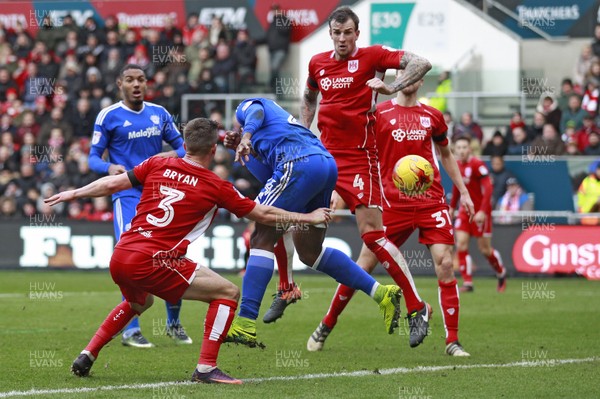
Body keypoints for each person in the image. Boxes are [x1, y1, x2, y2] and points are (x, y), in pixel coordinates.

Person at [45, 117, 332, 384]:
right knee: (228, 293)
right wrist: (309, 217)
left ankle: (87, 354)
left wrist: (74, 192)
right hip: (154, 259)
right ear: (214, 148)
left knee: (140, 303)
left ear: (184, 144)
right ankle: (206, 368)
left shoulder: (157, 165)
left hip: (121, 254)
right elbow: (265, 215)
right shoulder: (217, 186)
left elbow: (112, 183)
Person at [306, 72, 475, 356]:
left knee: (445, 263)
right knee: (362, 267)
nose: (409, 80)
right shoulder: (378, 113)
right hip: (389, 201)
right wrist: (338, 189)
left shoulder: (432, 116)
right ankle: (327, 322)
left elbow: (446, 155)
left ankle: (452, 341)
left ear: (421, 82)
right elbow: (355, 153)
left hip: (430, 199)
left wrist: (464, 191)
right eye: (404, 75)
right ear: (397, 81)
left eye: (415, 76)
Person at [300, 6, 433, 346]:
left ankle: (417, 308)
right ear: (330, 34)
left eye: (348, 33)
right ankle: (285, 289)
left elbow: (421, 63)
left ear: (357, 34)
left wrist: (393, 86)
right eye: (337, 33)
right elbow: (309, 96)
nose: (342, 38)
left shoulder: (373, 57)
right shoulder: (317, 63)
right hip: (325, 160)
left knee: (372, 237)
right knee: (300, 231)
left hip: (361, 160)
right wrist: (303, 132)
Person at [224, 97, 403, 347]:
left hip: (299, 164)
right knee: (310, 253)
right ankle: (381, 293)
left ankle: (245, 323)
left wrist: (246, 136)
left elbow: (254, 111)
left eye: (239, 127)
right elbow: (270, 177)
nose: (239, 130)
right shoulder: (274, 137)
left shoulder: (249, 109)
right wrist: (243, 148)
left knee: (260, 237)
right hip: (324, 166)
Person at [88, 64, 190, 348]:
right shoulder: (108, 116)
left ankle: (173, 322)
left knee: (172, 253)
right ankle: (131, 329)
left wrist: (166, 158)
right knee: (131, 259)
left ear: (147, 83)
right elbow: (93, 158)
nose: (136, 84)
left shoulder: (159, 114)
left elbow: (183, 147)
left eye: (141, 79)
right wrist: (109, 168)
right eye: (130, 80)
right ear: (120, 83)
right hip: (127, 195)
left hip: (160, 194)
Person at [450, 136, 507, 293]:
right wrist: (451, 207)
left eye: (464, 147)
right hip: (464, 211)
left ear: (470, 149)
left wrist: (482, 210)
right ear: (455, 150)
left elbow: (488, 188)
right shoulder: (456, 165)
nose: (461, 150)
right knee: (461, 244)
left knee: (485, 250)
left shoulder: (477, 164)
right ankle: (468, 283)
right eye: (458, 147)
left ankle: (501, 272)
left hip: (480, 213)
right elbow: (457, 188)